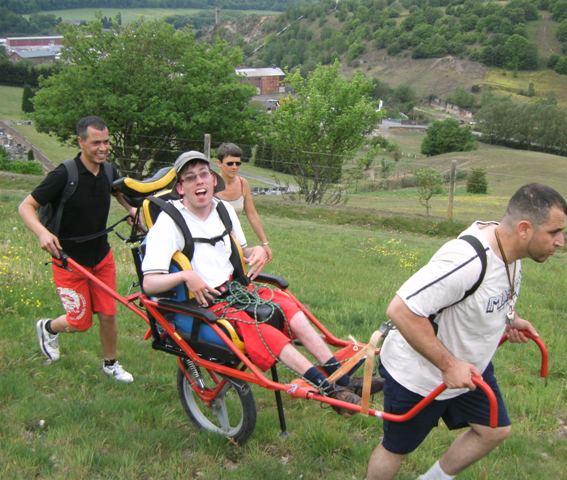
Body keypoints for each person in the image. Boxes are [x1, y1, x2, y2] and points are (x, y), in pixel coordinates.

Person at [141, 151, 382, 413]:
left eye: (203, 175)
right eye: (190, 179)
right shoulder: (168, 224)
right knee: (265, 331)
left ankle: (345, 379)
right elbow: (150, 284)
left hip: (237, 289)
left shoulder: (223, 210)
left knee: (292, 310)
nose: (199, 182)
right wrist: (187, 276)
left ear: (213, 179)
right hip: (205, 305)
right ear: (180, 188)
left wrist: (254, 251)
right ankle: (330, 390)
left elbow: (241, 251)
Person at [366, 183, 567, 480]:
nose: (561, 241)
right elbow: (402, 310)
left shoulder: (511, 251)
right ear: (525, 229)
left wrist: (510, 318)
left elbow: (489, 295)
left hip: (471, 370)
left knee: (494, 430)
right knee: (396, 447)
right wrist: (449, 365)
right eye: (554, 232)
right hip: (420, 375)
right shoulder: (468, 259)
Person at [18, 116, 136, 383]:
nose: (103, 148)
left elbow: (118, 191)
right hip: (68, 261)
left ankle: (111, 364)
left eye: (106, 141)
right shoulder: (64, 174)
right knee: (80, 322)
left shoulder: (108, 170)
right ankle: (48, 327)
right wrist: (42, 232)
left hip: (101, 256)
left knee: (108, 313)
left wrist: (130, 210)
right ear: (81, 142)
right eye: (96, 142)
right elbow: (25, 206)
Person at [214, 142, 272, 262]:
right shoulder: (211, 183)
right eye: (230, 163)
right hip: (213, 240)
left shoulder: (243, 183)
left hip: (235, 240)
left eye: (238, 163)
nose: (234, 167)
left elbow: (252, 214)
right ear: (219, 163)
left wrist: (264, 242)